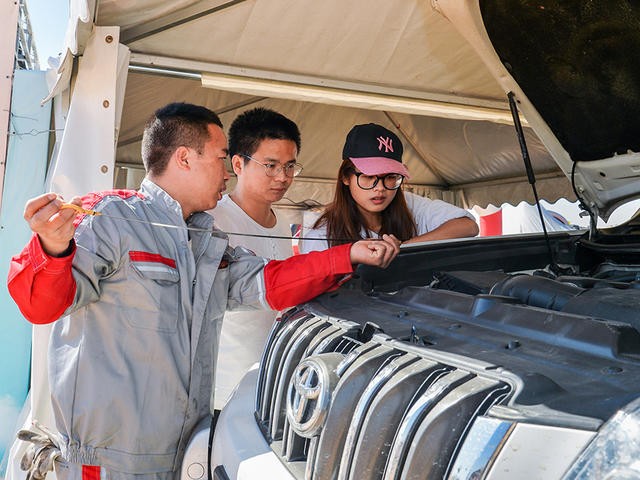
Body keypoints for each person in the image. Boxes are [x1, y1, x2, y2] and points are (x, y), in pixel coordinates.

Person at [6, 103, 400, 480]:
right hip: (109, 461)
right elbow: (42, 305)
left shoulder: (207, 240)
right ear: (184, 158)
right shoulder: (112, 219)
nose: (227, 172)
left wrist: (347, 255)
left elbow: (269, 283)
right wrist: (52, 248)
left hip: (187, 451)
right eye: (220, 157)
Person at [207, 107, 301, 411]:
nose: (282, 177)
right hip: (222, 394)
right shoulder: (212, 221)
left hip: (272, 388)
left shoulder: (286, 224)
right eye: (270, 165)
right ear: (238, 164)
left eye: (289, 166)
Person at [299, 123, 478, 253]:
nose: (380, 189)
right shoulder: (322, 234)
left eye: (390, 177)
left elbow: (468, 226)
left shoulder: (409, 204)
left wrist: (403, 248)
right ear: (346, 177)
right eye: (369, 177)